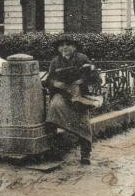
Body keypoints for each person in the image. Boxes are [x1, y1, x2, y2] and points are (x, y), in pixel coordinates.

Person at [44, 34, 102, 165]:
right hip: (62, 94)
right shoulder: (55, 62)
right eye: (61, 45)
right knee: (54, 108)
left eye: (68, 45)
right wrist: (56, 84)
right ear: (58, 48)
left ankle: (85, 154)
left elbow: (95, 76)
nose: (64, 48)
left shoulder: (82, 58)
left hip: (79, 94)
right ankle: (54, 150)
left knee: (82, 120)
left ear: (74, 47)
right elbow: (49, 80)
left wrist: (81, 81)